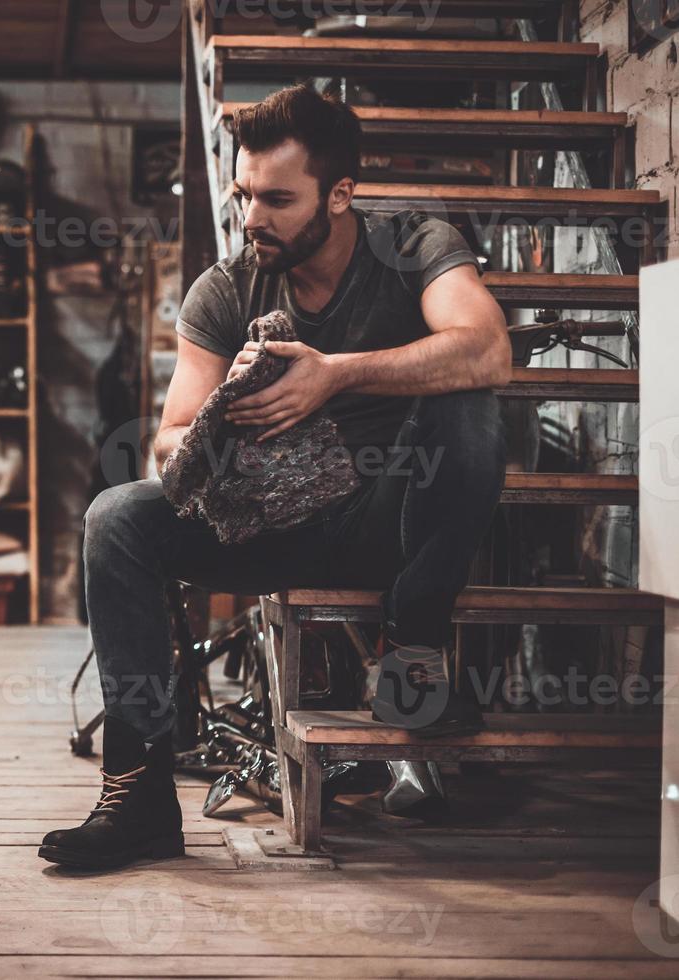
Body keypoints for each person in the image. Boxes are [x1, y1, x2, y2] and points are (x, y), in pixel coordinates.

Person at [39, 84, 511, 871]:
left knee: (470, 408)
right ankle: (138, 795)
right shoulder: (225, 290)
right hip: (268, 524)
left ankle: (410, 650)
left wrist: (333, 376)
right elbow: (169, 440)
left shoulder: (412, 242)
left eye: (277, 199)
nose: (252, 216)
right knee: (116, 515)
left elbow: (486, 347)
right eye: (243, 193)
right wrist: (230, 426)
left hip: (390, 523)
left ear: (339, 194)